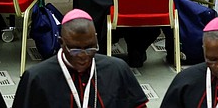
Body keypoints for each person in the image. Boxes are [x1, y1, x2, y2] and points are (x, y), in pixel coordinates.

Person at [12, 9, 146, 108]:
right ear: (61, 43)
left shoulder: (117, 69)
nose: (83, 56)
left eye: (90, 48)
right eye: (75, 50)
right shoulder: (36, 77)